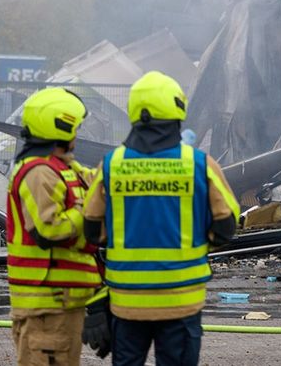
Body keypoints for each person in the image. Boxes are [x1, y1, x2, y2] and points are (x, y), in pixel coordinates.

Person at [84, 71, 240, 366]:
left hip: (127, 301)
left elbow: (92, 229)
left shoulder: (111, 165)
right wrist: (194, 245)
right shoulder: (199, 164)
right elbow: (226, 225)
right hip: (181, 299)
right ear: (178, 109)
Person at [6, 87, 102, 366]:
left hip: (62, 302)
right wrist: (87, 208)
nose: (77, 135)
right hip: (45, 305)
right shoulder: (39, 172)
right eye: (76, 128)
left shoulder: (63, 168)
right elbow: (48, 230)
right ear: (62, 126)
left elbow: (98, 180)